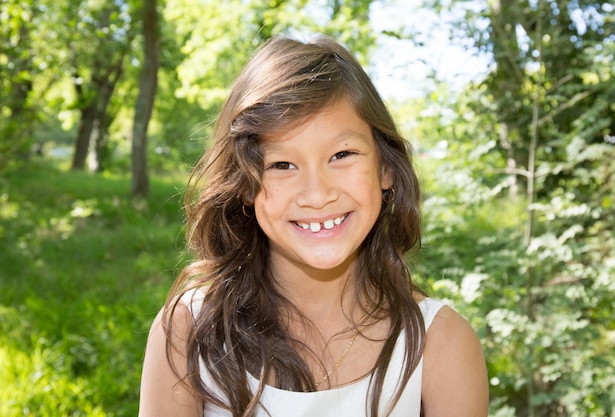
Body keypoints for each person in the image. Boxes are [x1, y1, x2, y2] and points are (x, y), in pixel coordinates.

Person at [139, 35, 488, 417]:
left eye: (342, 155)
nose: (317, 195)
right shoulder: (189, 334)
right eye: (282, 165)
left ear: (386, 168)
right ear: (244, 187)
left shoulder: (441, 344)